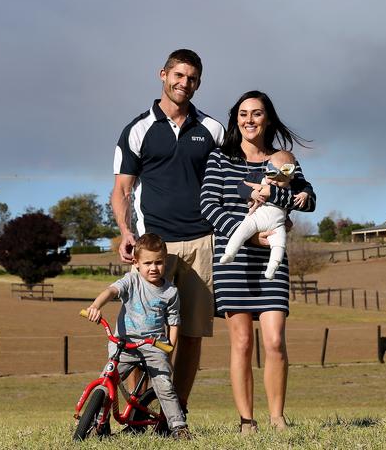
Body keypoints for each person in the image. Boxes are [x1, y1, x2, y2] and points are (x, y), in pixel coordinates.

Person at [111, 49, 225, 413]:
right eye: (178, 75)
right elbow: (122, 189)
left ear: (199, 83)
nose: (184, 83)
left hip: (202, 240)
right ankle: (136, 411)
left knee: (190, 333)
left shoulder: (213, 130)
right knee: (139, 334)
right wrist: (126, 231)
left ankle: (176, 412)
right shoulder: (138, 129)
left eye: (191, 78)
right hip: (152, 245)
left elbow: (229, 180)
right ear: (163, 75)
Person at [200, 90, 316, 433]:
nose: (250, 120)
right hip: (233, 258)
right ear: (236, 118)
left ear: (268, 119)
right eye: (243, 113)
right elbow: (208, 206)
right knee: (242, 342)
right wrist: (249, 235)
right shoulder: (219, 159)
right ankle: (246, 421)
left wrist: (277, 194)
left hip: (272, 262)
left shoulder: (283, 159)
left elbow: (307, 201)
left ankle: (278, 418)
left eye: (257, 113)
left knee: (275, 341)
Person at [85, 233, 191, 440]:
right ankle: (98, 422)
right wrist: (95, 306)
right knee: (105, 381)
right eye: (148, 263)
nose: (153, 268)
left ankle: (178, 426)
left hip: (154, 346)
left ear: (166, 261)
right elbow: (111, 291)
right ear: (136, 263)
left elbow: (174, 322)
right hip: (124, 344)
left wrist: (169, 347)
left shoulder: (170, 291)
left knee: (164, 384)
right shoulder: (131, 281)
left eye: (159, 262)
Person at [220, 149, 310, 279]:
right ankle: (230, 253)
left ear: (290, 178)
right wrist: (252, 193)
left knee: (279, 244)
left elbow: (307, 187)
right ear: (267, 169)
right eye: (271, 176)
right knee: (241, 231)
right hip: (255, 218)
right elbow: (241, 185)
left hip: (277, 225)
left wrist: (304, 193)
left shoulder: (293, 185)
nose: (274, 182)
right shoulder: (256, 177)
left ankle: (272, 267)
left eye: (280, 180)